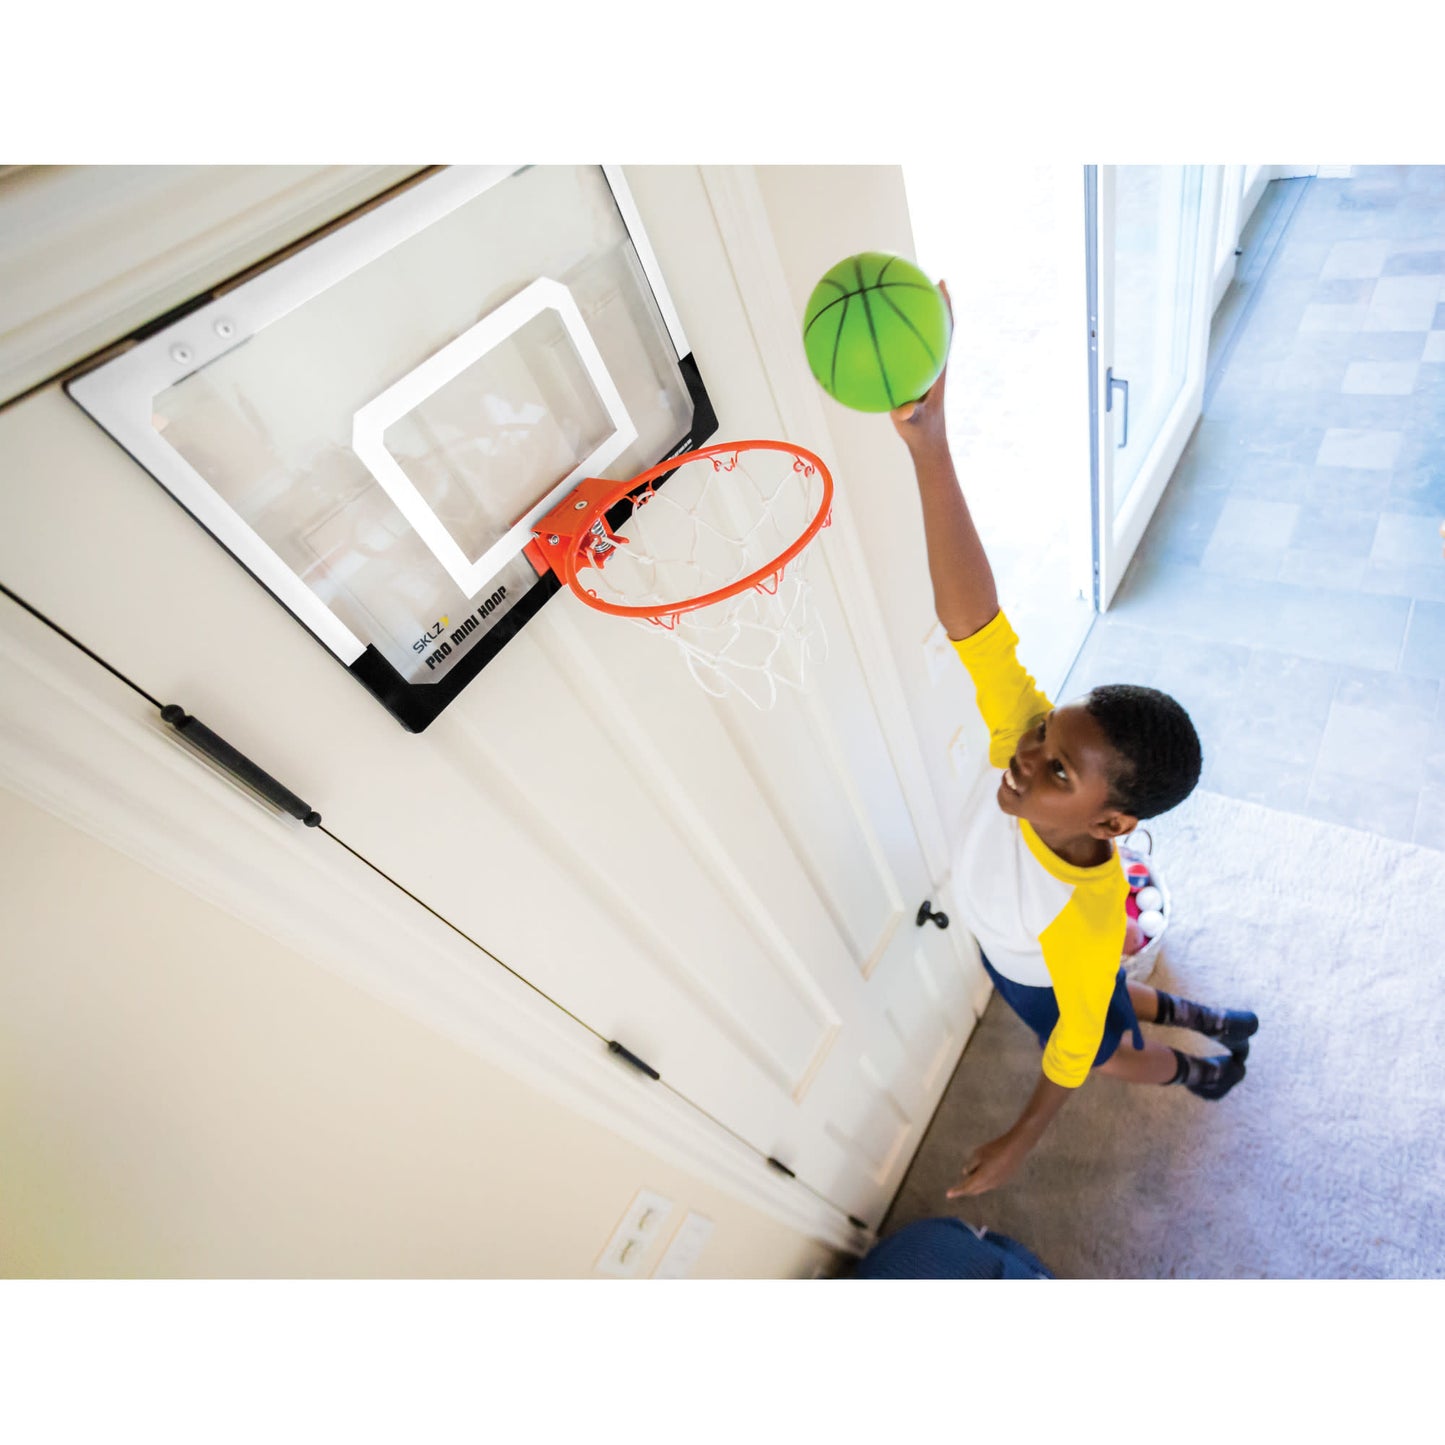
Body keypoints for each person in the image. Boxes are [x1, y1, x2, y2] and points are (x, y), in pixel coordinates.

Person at [891, 282, 1257, 1201]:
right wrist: (929, 445)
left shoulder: (1088, 921)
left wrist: (1017, 1141)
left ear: (1116, 821)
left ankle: (1197, 1067)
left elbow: (1067, 1052)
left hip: (1049, 976)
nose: (1024, 756)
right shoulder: (1025, 739)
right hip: (1015, 957)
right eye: (1045, 735)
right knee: (1103, 1010)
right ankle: (1195, 1010)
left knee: (1105, 1051)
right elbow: (973, 618)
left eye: (1055, 768)